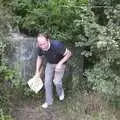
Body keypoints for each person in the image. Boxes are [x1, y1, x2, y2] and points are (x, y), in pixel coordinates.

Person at [35, 33, 72, 108]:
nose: (42, 46)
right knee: (47, 82)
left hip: (60, 63)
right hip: (50, 63)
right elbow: (39, 58)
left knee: (56, 81)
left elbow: (69, 54)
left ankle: (60, 93)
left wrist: (60, 63)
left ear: (48, 40)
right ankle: (49, 101)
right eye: (40, 44)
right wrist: (37, 71)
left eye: (43, 44)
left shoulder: (57, 45)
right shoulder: (40, 47)